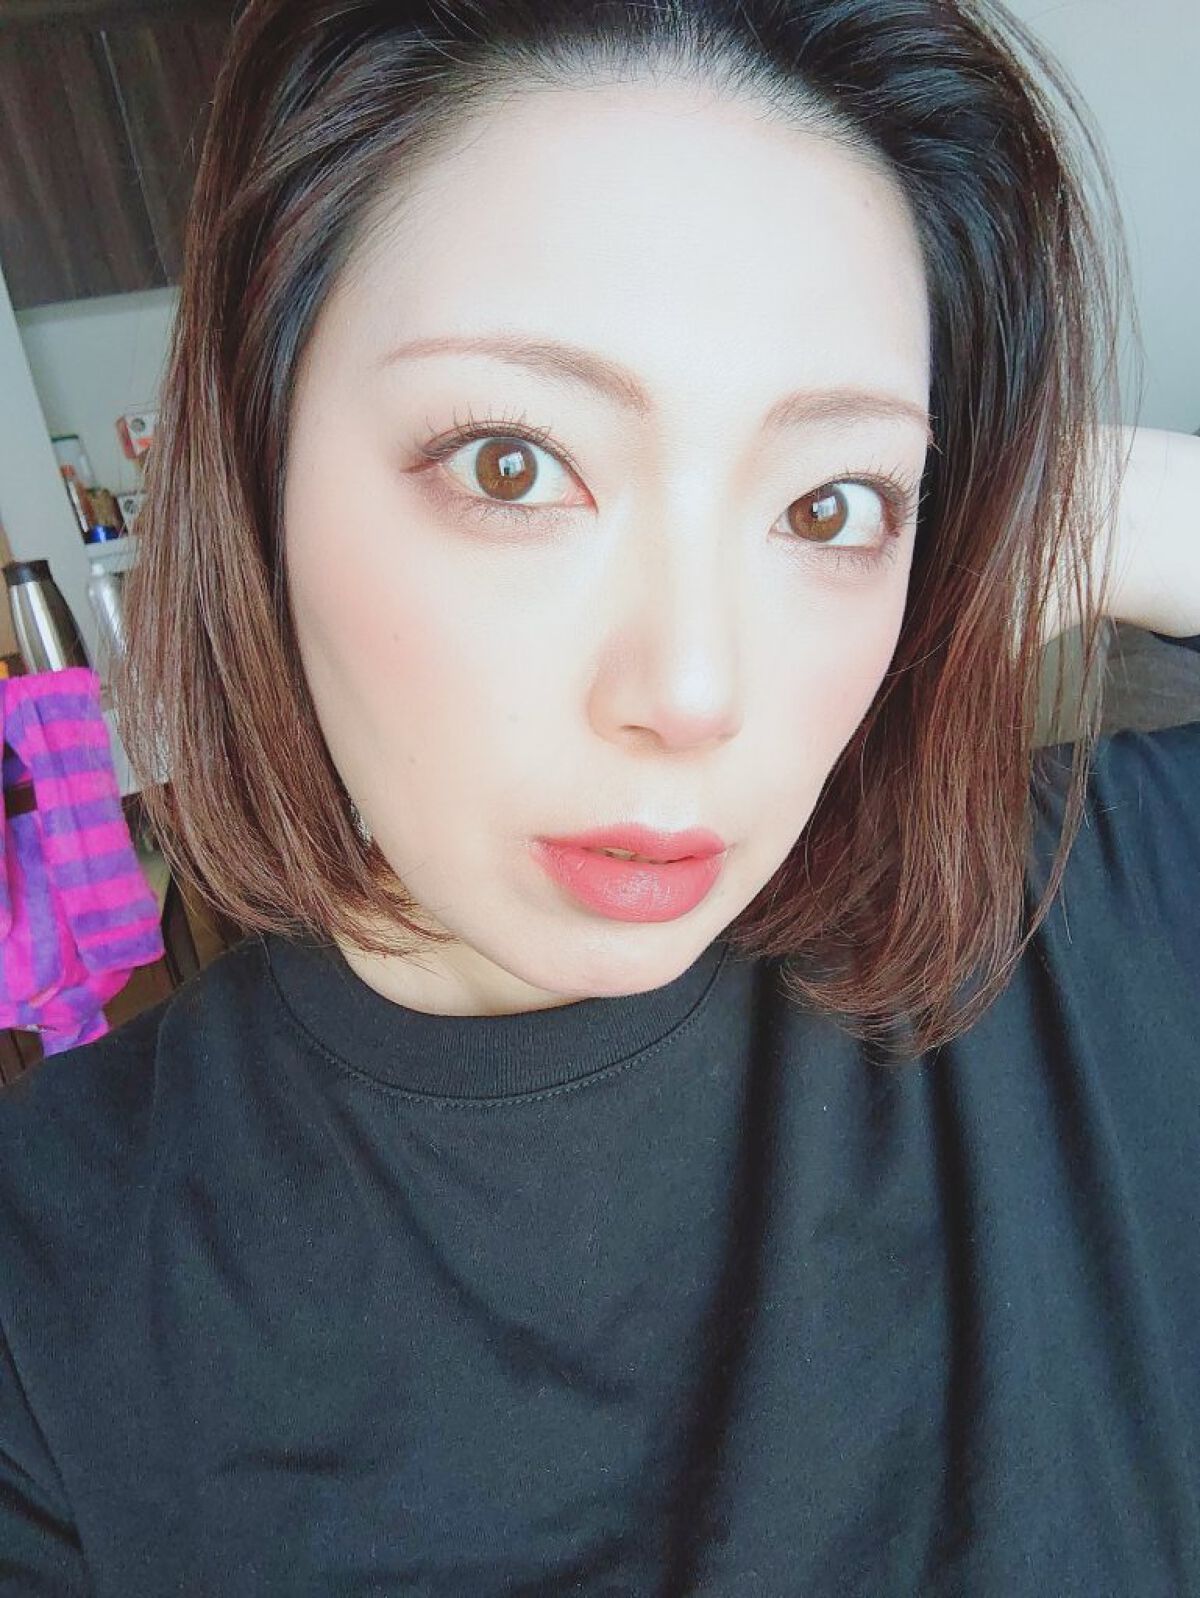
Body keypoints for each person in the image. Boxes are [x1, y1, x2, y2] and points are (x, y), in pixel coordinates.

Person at [0, 0, 1196, 1590]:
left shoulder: (1082, 919)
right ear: (258, 459)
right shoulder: (49, 1294)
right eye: (513, 463)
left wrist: (1090, 500)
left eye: (831, 505)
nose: (693, 692)